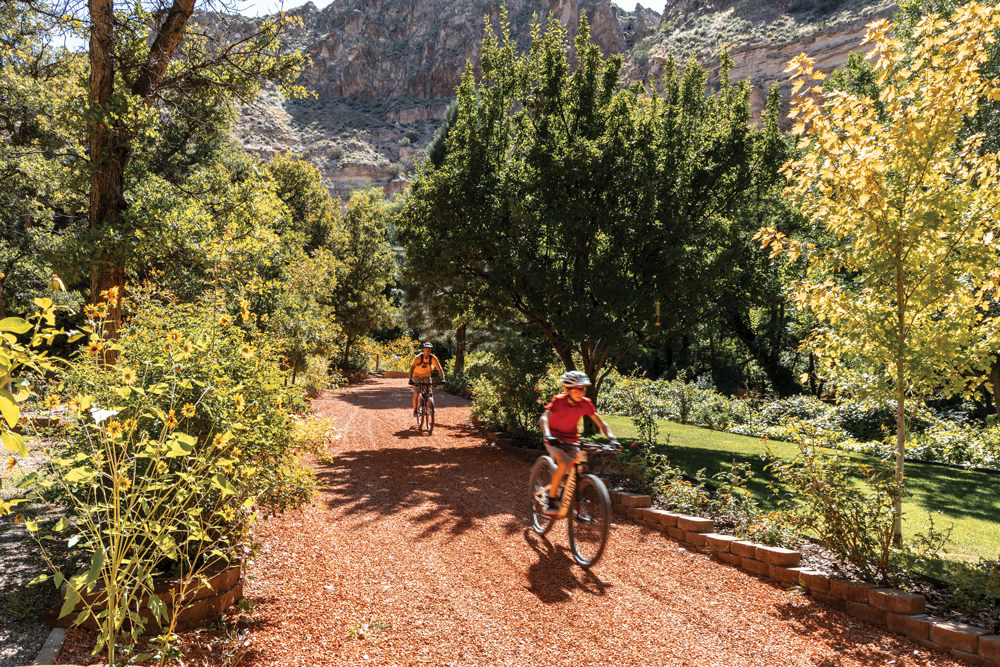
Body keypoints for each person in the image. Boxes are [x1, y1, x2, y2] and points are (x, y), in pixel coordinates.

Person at [538, 371, 617, 516]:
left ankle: (573, 498)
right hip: (553, 438)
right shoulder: (559, 401)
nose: (581, 392)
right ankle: (552, 498)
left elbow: (601, 423)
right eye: (577, 389)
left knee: (580, 465)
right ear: (567, 390)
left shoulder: (585, 403)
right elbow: (543, 419)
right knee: (564, 462)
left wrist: (612, 438)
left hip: (571, 440)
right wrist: (548, 434)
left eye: (583, 389)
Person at [409, 342, 445, 415]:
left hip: (426, 375)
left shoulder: (433, 358)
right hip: (416, 375)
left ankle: (429, 408)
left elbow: (439, 368)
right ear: (423, 350)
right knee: (416, 393)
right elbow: (412, 368)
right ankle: (415, 410)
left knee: (429, 391)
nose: (428, 352)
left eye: (429, 350)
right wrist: (410, 379)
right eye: (426, 350)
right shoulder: (418, 358)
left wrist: (443, 378)